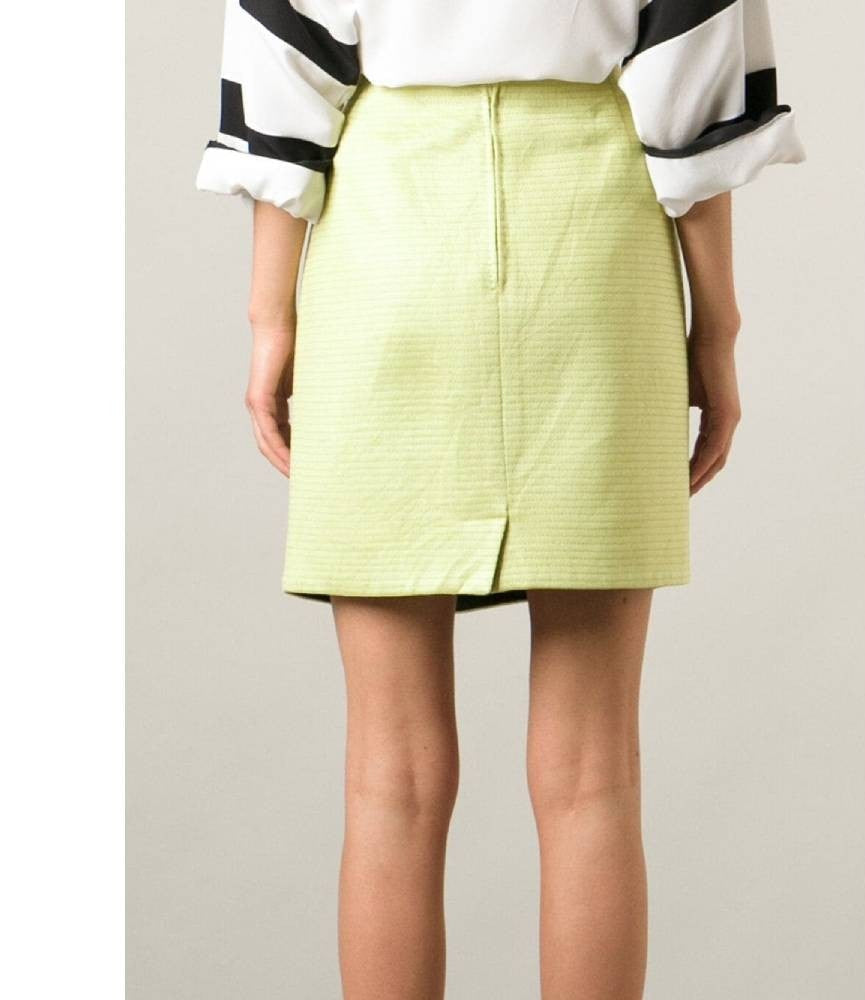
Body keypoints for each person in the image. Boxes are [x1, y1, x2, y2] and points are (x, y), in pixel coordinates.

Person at [196, 1, 804, 996]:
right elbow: (694, 99)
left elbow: (283, 81)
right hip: (594, 254)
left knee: (388, 780)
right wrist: (716, 333)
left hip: (385, 252)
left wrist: (271, 320)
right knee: (593, 774)